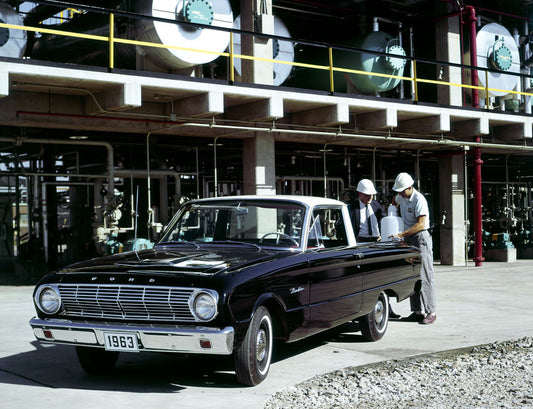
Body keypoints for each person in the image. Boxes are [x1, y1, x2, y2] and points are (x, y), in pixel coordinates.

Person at [391, 172, 437, 325]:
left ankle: (431, 311)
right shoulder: (401, 197)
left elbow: (421, 224)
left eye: (402, 190)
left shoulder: (419, 199)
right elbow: (393, 202)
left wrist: (401, 233)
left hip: (420, 237)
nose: (400, 194)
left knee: (425, 274)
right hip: (408, 238)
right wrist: (392, 217)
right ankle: (417, 311)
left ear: (410, 187)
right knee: (412, 274)